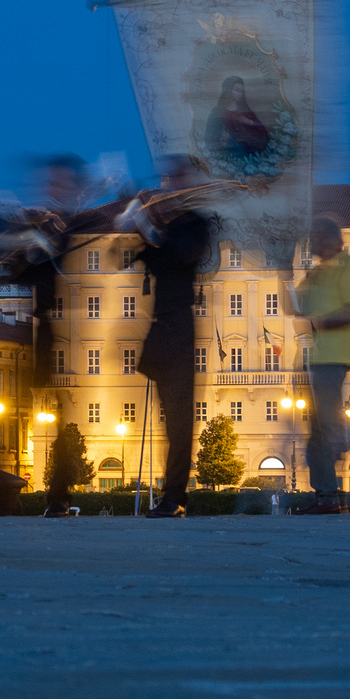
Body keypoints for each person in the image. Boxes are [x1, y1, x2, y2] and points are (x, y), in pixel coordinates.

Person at [132, 160, 212, 518]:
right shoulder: (171, 224)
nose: (170, 184)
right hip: (161, 325)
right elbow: (146, 256)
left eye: (178, 178)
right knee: (170, 416)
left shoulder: (196, 224)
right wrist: (144, 220)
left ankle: (175, 496)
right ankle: (174, 494)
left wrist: (155, 224)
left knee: (179, 417)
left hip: (179, 324)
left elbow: (181, 254)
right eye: (169, 179)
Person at [293, 216, 350, 512]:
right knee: (317, 428)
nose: (313, 244)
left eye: (317, 238)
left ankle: (327, 493)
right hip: (314, 359)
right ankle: (325, 494)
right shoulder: (316, 273)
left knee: (323, 427)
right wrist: (286, 277)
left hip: (333, 357)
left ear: (334, 240)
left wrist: (320, 322)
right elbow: (295, 308)